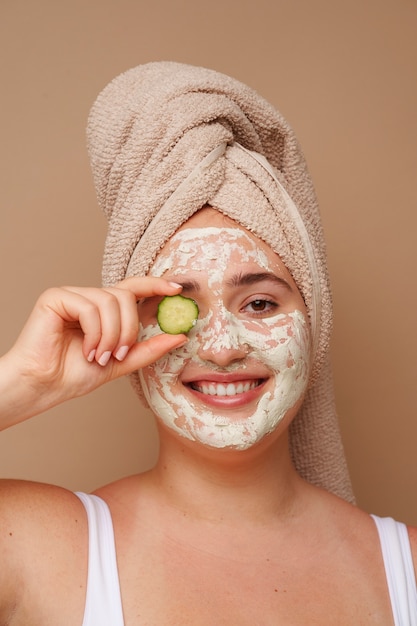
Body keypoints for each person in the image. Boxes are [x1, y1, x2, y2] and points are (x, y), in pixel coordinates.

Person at [0, 62, 416, 625]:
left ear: (315, 322)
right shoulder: (39, 548)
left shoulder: (408, 568)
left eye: (261, 303)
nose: (220, 348)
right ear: (130, 327)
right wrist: (21, 385)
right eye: (181, 308)